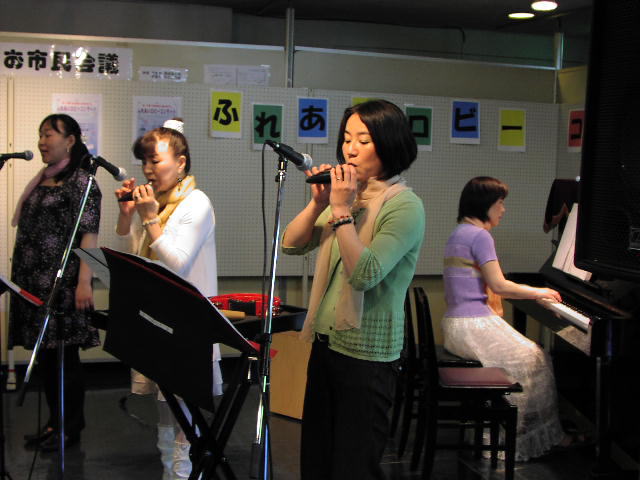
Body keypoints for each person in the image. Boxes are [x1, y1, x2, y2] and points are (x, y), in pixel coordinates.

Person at [282, 99, 425, 479]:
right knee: (317, 459)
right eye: (347, 138)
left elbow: (365, 274)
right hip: (327, 343)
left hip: (368, 356)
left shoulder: (405, 205)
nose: (350, 149)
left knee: (353, 465)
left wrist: (341, 210)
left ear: (389, 144)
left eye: (363, 140)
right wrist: (319, 204)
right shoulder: (351, 198)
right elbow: (291, 244)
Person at [441, 176, 583, 461]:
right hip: (473, 324)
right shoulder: (480, 236)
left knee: (532, 356)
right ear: (485, 204)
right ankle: (513, 438)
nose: (503, 209)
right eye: (500, 203)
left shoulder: (459, 232)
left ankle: (504, 432)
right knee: (534, 358)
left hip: (455, 325)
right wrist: (539, 292)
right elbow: (500, 286)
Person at [115, 119, 220, 480]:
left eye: (156, 161)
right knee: (165, 410)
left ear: (181, 162)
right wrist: (128, 215)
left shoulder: (196, 202)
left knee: (183, 415)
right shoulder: (155, 202)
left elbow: (176, 262)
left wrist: (149, 218)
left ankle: (182, 474)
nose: (148, 169)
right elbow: (134, 256)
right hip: (157, 320)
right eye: (144, 161)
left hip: (187, 325)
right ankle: (169, 473)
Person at [10, 113, 102, 451]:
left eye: (49, 134)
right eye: (41, 134)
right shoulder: (44, 179)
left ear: (70, 140)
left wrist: (85, 283)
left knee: (64, 361)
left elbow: (90, 236)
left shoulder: (82, 182)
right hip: (33, 286)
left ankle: (70, 428)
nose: (42, 141)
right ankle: (54, 423)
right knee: (46, 360)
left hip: (62, 287)